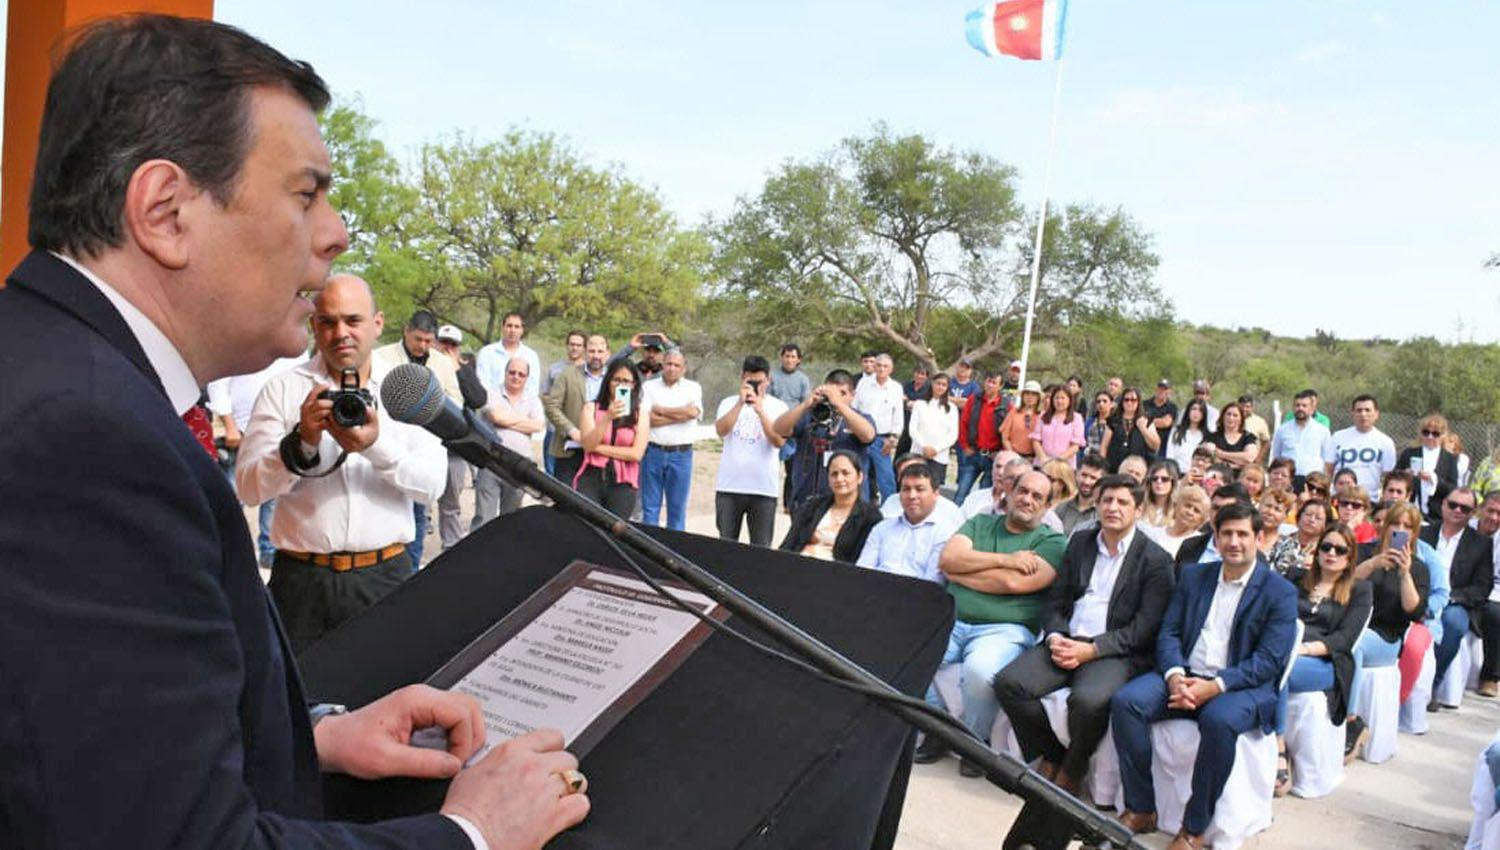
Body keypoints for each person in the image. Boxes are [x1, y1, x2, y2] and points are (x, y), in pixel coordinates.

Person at [0, 15, 586, 846]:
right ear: (165, 212)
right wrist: (475, 832)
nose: (337, 232)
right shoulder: (87, 436)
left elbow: (94, 744)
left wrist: (309, 740)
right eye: (306, 194)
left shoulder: (59, 370)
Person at [240, 274, 447, 647]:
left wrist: (375, 446)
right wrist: (301, 444)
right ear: (313, 325)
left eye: (353, 320)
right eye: (328, 322)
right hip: (300, 583)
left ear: (377, 324)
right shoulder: (284, 389)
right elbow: (249, 488)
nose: (341, 333)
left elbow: (432, 485)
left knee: (386, 681)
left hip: (385, 578)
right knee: (298, 683)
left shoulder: (407, 391)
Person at [1109, 503, 1298, 849]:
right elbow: (1169, 632)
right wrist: (1174, 676)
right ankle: (1141, 807)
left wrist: (1215, 686)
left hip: (1240, 687)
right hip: (1185, 676)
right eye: (1226, 534)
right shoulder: (1194, 576)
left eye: (1242, 534)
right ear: (1216, 537)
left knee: (1219, 721)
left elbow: (1268, 662)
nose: (1234, 542)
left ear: (1258, 538)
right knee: (1127, 702)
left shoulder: (1279, 592)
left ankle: (1193, 829)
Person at [995, 475, 1176, 796]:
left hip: (1112, 651)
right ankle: (1053, 754)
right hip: (1065, 640)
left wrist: (1092, 650)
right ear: (1097, 504)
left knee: (1088, 702)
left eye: (1123, 502)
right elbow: (1056, 600)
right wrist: (1055, 635)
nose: (1113, 508)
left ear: (1138, 510)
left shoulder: (1156, 560)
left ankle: (1073, 768)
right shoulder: (1080, 542)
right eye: (1107, 500)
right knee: (1009, 683)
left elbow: (1144, 629)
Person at [919, 470, 1066, 776]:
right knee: (912, 655)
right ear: (1009, 493)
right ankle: (937, 728)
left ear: (1047, 506)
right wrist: (1007, 560)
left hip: (1004, 629)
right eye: (1022, 491)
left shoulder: (1052, 542)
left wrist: (962, 573)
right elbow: (948, 559)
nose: (1027, 499)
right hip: (951, 619)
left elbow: (1014, 584)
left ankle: (974, 742)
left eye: (1037, 496)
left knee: (980, 671)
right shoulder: (980, 523)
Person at [1272, 523, 1373, 794]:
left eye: (1340, 550)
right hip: (1285, 652)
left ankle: (1279, 749)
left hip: (1326, 662)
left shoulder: (1360, 590)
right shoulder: (1296, 578)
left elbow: (1344, 639)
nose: (1331, 554)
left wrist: (1304, 649)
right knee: (1275, 666)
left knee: (1281, 670)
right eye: (1326, 547)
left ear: (1350, 557)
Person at [372, 309, 460, 567]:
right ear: (406, 332)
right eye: (417, 339)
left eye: (428, 341)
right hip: (390, 442)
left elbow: (456, 401)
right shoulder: (381, 358)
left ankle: (411, 569)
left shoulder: (442, 363)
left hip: (425, 445)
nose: (422, 346)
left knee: (418, 512)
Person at [1349, 503, 1432, 735]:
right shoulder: (1363, 552)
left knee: (1354, 645)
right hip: (1350, 625)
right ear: (1385, 526)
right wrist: (1373, 564)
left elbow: (1414, 610)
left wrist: (1404, 574)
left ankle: (1351, 721)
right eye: (1395, 523)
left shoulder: (1418, 568)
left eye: (1407, 526)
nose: (1400, 530)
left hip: (1386, 638)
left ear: (1414, 532)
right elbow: (1343, 585)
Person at [1423, 488, 1495, 706]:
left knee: (1454, 622)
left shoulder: (1481, 543)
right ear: (1443, 504)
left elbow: (1482, 587)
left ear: (1472, 513)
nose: (1457, 510)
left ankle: (1432, 683)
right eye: (1453, 505)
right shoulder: (1424, 533)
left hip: (1455, 602)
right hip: (1420, 595)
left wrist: (1450, 598)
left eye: (1464, 508)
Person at [774, 368, 877, 510]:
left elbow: (868, 435)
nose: (835, 397)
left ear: (852, 395)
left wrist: (838, 404)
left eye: (842, 393)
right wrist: (806, 404)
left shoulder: (860, 418)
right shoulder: (810, 415)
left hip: (849, 503)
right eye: (830, 393)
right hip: (807, 498)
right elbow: (779, 428)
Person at [714, 356, 789, 546]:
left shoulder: (778, 407)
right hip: (730, 487)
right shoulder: (728, 403)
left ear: (768, 380)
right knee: (725, 545)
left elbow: (778, 441)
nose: (755, 386)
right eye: (750, 381)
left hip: (763, 489)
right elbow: (721, 431)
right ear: (742, 378)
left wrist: (760, 410)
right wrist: (740, 403)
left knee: (761, 547)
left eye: (760, 382)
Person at [857, 463, 966, 583]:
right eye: (906, 489)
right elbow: (863, 571)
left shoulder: (945, 534)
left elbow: (932, 584)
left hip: (918, 593)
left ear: (936, 494)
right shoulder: (882, 528)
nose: (912, 496)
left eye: (920, 489)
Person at [434, 323, 489, 549]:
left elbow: (478, 399)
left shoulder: (464, 370)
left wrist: (458, 369)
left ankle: (450, 546)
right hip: (425, 443)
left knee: (450, 503)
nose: (447, 349)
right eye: (443, 343)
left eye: (452, 345)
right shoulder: (425, 365)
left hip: (453, 446)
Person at [574, 358, 650, 516]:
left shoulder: (640, 414)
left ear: (634, 385)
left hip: (623, 480)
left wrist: (598, 448)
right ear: (608, 381)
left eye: (626, 381)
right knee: (586, 523)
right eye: (616, 380)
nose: (620, 385)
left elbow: (636, 454)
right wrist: (607, 417)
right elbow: (588, 445)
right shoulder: (591, 408)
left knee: (615, 527)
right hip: (591, 476)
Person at [638, 347, 702, 531]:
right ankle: (647, 545)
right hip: (653, 452)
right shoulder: (649, 387)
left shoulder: (693, 388)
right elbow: (647, 419)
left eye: (676, 365)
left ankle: (674, 549)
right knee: (650, 509)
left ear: (684, 368)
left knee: (677, 510)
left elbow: (693, 413)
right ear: (662, 365)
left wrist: (661, 410)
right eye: (669, 364)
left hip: (681, 455)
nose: (672, 368)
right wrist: (681, 415)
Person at [779, 450, 882, 562]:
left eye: (845, 473)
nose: (839, 479)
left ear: (860, 477)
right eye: (834, 474)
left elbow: (861, 560)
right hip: (797, 565)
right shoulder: (812, 506)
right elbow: (789, 543)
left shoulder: (870, 517)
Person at [477, 356, 545, 523]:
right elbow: (496, 417)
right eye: (512, 372)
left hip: (519, 466)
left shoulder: (533, 399)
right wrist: (523, 421)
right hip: (490, 461)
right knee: (483, 518)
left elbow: (538, 426)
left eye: (521, 374)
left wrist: (506, 419)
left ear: (527, 378)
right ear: (505, 372)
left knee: (510, 519)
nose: (516, 377)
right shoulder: (491, 394)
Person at [544, 333, 610, 487]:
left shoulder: (614, 378)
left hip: (603, 451)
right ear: (585, 352)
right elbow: (552, 406)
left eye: (600, 351)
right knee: (565, 497)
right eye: (592, 351)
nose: (596, 356)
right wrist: (571, 430)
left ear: (608, 354)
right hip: (570, 449)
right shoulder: (568, 374)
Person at [1324, 394, 1397, 501]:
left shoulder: (1385, 442)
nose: (1363, 414)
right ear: (1352, 413)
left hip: (1370, 499)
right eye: (1359, 410)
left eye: (1367, 410)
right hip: (1340, 498)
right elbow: (1328, 469)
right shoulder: (1338, 437)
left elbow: (1388, 476)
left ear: (1376, 414)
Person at [854, 353, 906, 503]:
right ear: (874, 367)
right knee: (861, 476)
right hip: (861, 437)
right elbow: (855, 407)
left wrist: (893, 438)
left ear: (891, 369)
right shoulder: (863, 384)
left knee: (886, 478)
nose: (882, 369)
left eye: (885, 366)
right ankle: (862, 508)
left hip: (882, 440)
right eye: (879, 365)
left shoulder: (896, 388)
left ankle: (889, 508)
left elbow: (898, 415)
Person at [1396, 413, 1462, 519]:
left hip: (1436, 513)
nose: (1430, 437)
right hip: (1409, 509)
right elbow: (1394, 477)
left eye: (1435, 434)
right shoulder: (1409, 453)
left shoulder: (1449, 458)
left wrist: (1434, 479)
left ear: (1443, 435)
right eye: (1426, 433)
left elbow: (1453, 489)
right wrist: (1405, 475)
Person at [770, 343, 812, 509]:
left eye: (793, 357)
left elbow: (806, 404)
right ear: (781, 357)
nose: (789, 360)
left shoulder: (803, 380)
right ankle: (769, 501)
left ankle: (789, 504)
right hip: (773, 428)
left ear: (798, 360)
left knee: (793, 469)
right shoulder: (772, 377)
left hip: (794, 431)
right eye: (787, 356)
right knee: (771, 467)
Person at [540, 329, 586, 475]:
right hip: (554, 429)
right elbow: (545, 394)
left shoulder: (588, 371)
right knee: (551, 471)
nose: (574, 348)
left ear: (584, 348)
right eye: (572, 344)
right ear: (567, 345)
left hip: (579, 429)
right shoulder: (555, 369)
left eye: (578, 345)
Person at [955, 371, 1008, 500]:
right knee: (961, 492)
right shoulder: (974, 400)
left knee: (984, 496)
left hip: (992, 457)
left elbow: (1008, 432)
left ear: (1000, 386)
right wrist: (965, 446)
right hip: (973, 453)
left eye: (994, 382)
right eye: (988, 381)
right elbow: (963, 423)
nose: (990, 385)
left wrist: (1001, 453)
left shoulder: (1006, 406)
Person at [1270, 389, 1332, 489]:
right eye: (1297, 405)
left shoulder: (1322, 431)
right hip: (1289, 480)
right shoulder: (1282, 430)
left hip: (1313, 480)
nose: (1300, 408)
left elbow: (1327, 460)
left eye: (1304, 405)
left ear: (1312, 408)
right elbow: (1276, 456)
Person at [475, 311, 541, 400]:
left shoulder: (531, 356)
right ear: (502, 327)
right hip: (491, 403)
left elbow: (533, 387)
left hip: (521, 406)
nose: (512, 330)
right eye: (509, 326)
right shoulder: (487, 352)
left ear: (522, 330)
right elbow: (483, 383)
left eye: (517, 327)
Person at [909, 371, 959, 484]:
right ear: (932, 384)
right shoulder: (919, 404)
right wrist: (924, 447)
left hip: (939, 457)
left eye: (944, 385)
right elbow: (913, 429)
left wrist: (936, 449)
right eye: (938, 383)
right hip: (918, 453)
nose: (940, 387)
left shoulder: (952, 408)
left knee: (933, 488)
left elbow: (953, 435)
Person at [1473, 493, 1500, 696]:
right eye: (1490, 511)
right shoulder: (1465, 528)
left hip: (1492, 594)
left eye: (1499, 514)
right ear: (1480, 510)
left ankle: (1491, 676)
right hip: (1462, 588)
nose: (1494, 517)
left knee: (1495, 614)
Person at [1143, 484, 1211, 560]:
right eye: (1188, 506)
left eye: (1196, 511)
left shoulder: (1200, 543)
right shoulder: (1155, 533)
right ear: (1176, 506)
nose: (1190, 512)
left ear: (1201, 520)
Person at [1103, 388, 1161, 473]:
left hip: (1138, 468)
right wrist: (1103, 468)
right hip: (1115, 468)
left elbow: (1155, 446)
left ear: (1138, 402)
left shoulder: (1146, 420)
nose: (1129, 402)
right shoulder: (1113, 420)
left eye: (1133, 400)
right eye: (1126, 399)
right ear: (1122, 402)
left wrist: (1143, 429)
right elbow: (1104, 446)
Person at [1032, 383, 1086, 469]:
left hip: (1065, 466)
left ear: (1069, 400)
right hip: (1042, 464)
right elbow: (1036, 441)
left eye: (1063, 398)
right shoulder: (1043, 416)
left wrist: (1058, 460)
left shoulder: (1076, 418)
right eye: (1056, 398)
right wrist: (1044, 459)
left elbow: (1075, 446)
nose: (1059, 401)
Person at [1055, 453, 1108, 534]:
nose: (1086, 482)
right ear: (1076, 474)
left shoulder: (1103, 513)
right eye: (1084, 475)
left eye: (1093, 478)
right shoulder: (1061, 507)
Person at [1258, 489, 1303, 579]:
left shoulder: (1289, 545)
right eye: (1268, 506)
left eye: (1277, 509)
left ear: (1285, 516)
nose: (1270, 512)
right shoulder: (1244, 536)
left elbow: (1280, 576)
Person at [1207, 402, 1259, 471]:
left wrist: (1222, 454)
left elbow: (1249, 458)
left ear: (1241, 419)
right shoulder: (1213, 437)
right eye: (1228, 414)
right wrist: (1236, 465)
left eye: (1235, 415)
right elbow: (1211, 459)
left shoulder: (1248, 437)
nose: (1231, 418)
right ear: (1223, 416)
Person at [1166, 399, 1211, 475]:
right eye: (1193, 409)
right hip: (1177, 472)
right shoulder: (1176, 431)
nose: (1196, 413)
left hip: (1198, 474)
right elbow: (1169, 454)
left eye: (1200, 410)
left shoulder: (1207, 435)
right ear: (1188, 411)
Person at [1000, 380, 1043, 461]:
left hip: (1034, 459)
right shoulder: (1014, 412)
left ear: (1038, 397)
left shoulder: (1042, 415)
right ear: (1023, 396)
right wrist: (1013, 455)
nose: (1030, 397)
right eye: (1027, 393)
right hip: (1013, 456)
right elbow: (1005, 437)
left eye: (1033, 394)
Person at [897, 364, 931, 456]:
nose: (919, 376)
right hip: (905, 420)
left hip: (920, 423)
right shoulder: (905, 385)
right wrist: (908, 403)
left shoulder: (930, 389)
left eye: (922, 374)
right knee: (902, 449)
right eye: (917, 373)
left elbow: (928, 405)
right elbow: (899, 400)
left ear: (926, 376)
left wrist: (914, 403)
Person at [1143, 379, 1180, 457]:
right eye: (1160, 388)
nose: (1161, 391)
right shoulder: (1144, 404)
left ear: (1169, 392)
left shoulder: (1172, 407)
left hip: (1161, 449)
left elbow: (1165, 423)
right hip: (1143, 445)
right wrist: (1157, 421)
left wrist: (1145, 421)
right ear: (1156, 389)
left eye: (1164, 389)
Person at [1142, 460, 1179, 529]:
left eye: (1164, 479)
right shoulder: (1140, 506)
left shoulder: (1178, 510)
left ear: (1173, 483)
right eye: (1154, 478)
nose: (1159, 482)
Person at [1238, 394, 1272, 465]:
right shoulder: (1231, 419)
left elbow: (1266, 442)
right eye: (1242, 406)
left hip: (1251, 462)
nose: (1244, 409)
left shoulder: (1259, 421)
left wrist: (1258, 459)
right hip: (1232, 460)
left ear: (1252, 407)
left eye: (1247, 407)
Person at [1085, 389, 1115, 460]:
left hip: (1110, 459)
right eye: (1098, 401)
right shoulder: (1090, 421)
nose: (1101, 404)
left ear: (1111, 404)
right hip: (1090, 458)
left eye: (1105, 401)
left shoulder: (1116, 423)